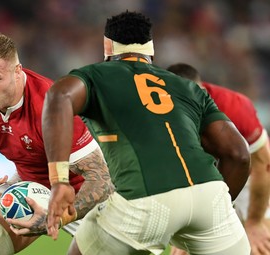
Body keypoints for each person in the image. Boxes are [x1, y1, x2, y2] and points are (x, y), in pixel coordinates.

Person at [41, 11, 251, 255]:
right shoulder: (189, 87)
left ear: (107, 47)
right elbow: (239, 154)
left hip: (146, 199)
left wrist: (59, 181)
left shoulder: (96, 75)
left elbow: (59, 95)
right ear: (151, 50)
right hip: (211, 197)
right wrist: (213, 208)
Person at [0, 32, 114, 255]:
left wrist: (59, 216)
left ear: (17, 72)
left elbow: (101, 180)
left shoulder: (50, 104)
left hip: (87, 199)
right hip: (30, 191)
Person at [167, 63, 270, 255]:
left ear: (203, 91)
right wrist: (185, 231)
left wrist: (255, 222)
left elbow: (262, 165)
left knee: (259, 246)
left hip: (250, 176)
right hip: (206, 177)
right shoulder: (157, 112)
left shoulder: (235, 107)